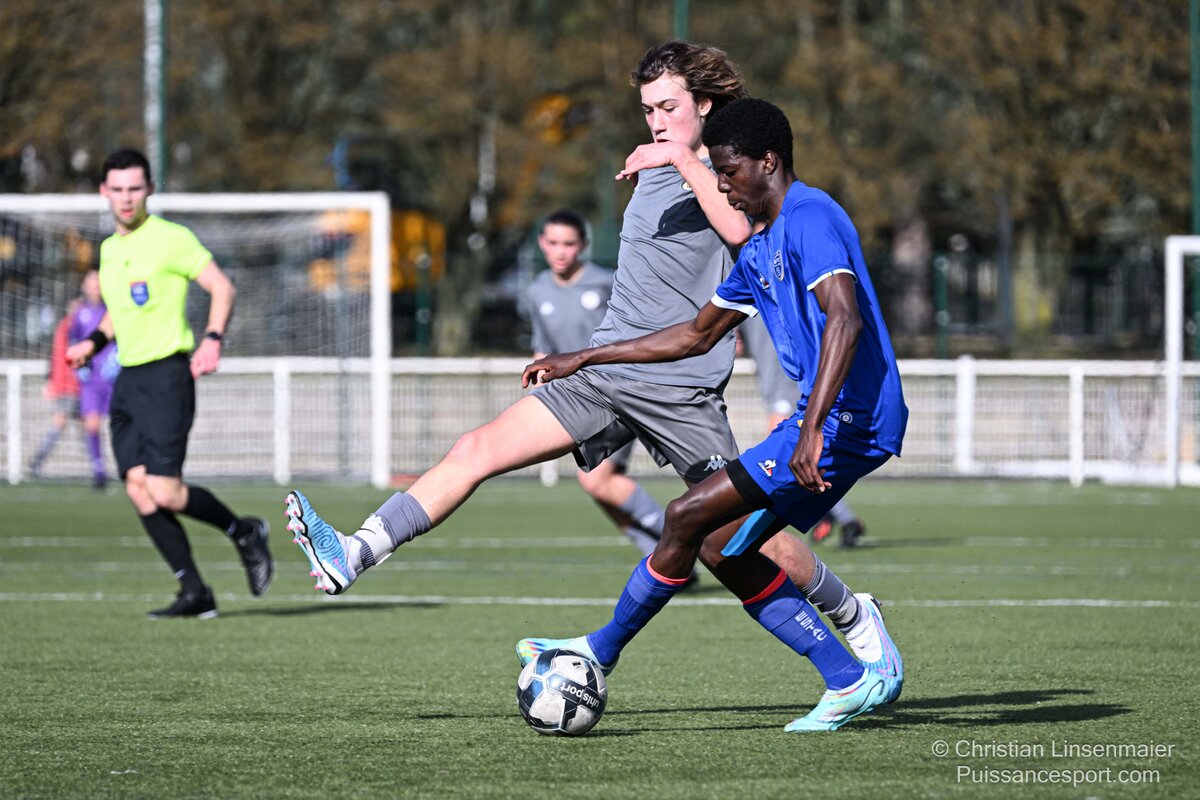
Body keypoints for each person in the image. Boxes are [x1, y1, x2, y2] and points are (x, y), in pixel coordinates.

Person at [285, 42, 894, 677]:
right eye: (648, 110)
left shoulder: (721, 173)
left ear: (705, 107)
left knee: (735, 540)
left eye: (669, 107)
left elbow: (741, 234)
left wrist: (683, 159)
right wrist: (581, 354)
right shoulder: (657, 168)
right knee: (476, 448)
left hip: (677, 389)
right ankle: (357, 551)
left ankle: (851, 612)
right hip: (605, 371)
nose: (656, 122)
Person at [516, 97, 908, 731]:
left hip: (850, 418)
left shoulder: (811, 217)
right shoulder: (760, 248)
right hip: (827, 417)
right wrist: (583, 356)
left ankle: (601, 650)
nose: (722, 187)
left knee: (686, 515)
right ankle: (848, 676)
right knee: (723, 545)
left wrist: (811, 429)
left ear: (767, 161)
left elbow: (846, 317)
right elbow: (693, 336)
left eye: (728, 172)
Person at [65, 148, 273, 619]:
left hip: (166, 376)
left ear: (150, 190)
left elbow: (222, 287)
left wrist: (213, 339)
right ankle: (195, 593)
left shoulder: (171, 239)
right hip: (128, 381)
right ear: (104, 191)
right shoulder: (109, 250)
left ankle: (244, 531)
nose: (126, 197)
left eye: (134, 188)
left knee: (163, 490)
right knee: (138, 489)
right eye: (117, 189)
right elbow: (119, 313)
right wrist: (92, 344)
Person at [527, 209, 682, 569]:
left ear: (582, 245)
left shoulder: (605, 283)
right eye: (553, 243)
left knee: (597, 480)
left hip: (618, 392)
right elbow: (543, 349)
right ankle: (663, 560)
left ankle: (680, 540)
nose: (560, 251)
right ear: (542, 244)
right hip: (574, 401)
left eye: (568, 243)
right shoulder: (537, 290)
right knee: (598, 487)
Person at [741, 315, 868, 548]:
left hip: (788, 380)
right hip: (770, 383)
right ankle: (838, 516)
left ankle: (835, 515)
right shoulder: (740, 294)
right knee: (793, 456)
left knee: (782, 452)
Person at [28, 305, 82, 479]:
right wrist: (51, 381)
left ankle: (98, 465)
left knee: (86, 425)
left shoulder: (65, 325)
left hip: (73, 385)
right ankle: (37, 461)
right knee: (63, 424)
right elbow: (57, 357)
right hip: (69, 386)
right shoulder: (69, 326)